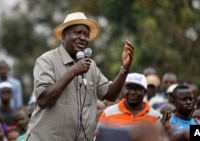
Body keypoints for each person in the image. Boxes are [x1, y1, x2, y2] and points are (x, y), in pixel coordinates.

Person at [25, 12, 134, 141]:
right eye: (77, 33)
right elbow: (43, 100)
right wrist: (72, 72)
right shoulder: (47, 61)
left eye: (86, 35)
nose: (83, 38)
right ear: (64, 35)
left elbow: (110, 95)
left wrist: (125, 68)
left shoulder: (90, 66)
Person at [95, 73, 162, 140]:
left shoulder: (156, 117)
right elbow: (98, 138)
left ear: (145, 92)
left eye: (137, 89)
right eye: (129, 88)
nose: (132, 92)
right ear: (123, 90)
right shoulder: (108, 113)